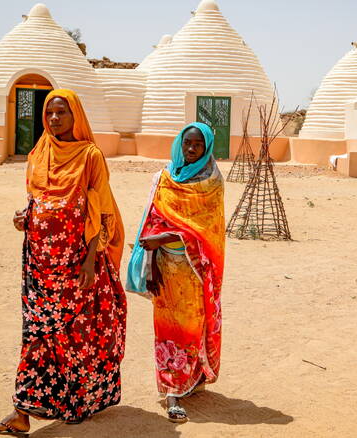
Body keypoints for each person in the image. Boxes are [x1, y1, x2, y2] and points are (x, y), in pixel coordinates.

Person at [0, 89, 126, 436]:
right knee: (36, 334)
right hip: (38, 263)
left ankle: (79, 402)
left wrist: (90, 261)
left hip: (76, 264)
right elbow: (35, 202)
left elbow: (99, 211)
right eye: (49, 113)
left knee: (75, 336)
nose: (55, 119)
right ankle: (22, 413)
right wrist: (24, 219)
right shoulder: (38, 153)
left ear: (76, 116)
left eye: (62, 112)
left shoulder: (90, 156)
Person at [126, 122, 225, 423]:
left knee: (193, 328)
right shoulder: (165, 178)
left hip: (195, 272)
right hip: (165, 269)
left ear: (206, 147)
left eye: (197, 144)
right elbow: (154, 221)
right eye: (187, 143)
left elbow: (209, 232)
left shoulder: (212, 184)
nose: (191, 149)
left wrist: (164, 238)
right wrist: (152, 262)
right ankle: (171, 391)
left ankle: (191, 378)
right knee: (168, 330)